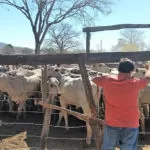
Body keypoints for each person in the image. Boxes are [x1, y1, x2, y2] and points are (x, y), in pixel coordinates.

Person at [92, 58, 150, 150]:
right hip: (131, 123)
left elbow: (94, 79)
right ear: (131, 72)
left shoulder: (107, 80)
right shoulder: (135, 82)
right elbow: (148, 79)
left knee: (108, 148)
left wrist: (110, 76)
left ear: (118, 69)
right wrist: (148, 69)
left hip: (112, 123)